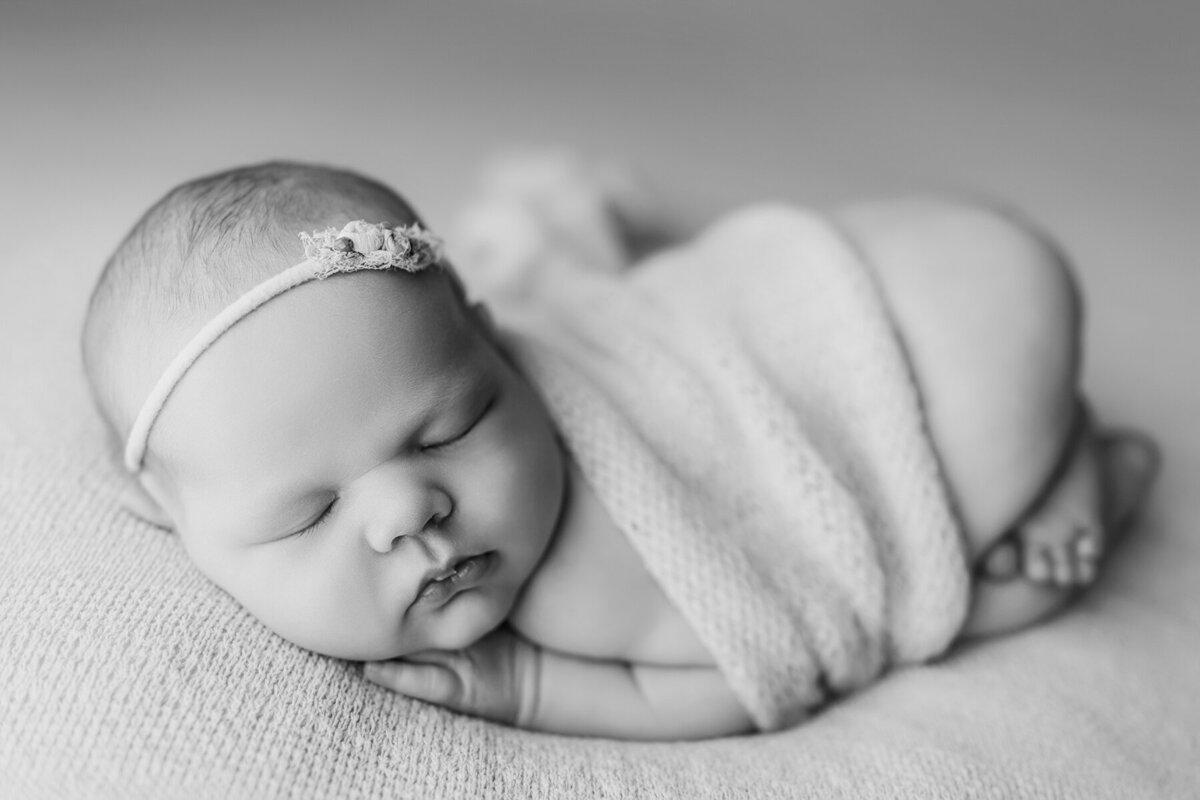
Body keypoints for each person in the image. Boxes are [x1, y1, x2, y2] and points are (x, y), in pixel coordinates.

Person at [81, 159, 1159, 740]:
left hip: (904, 326)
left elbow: (764, 664)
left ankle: (1067, 458)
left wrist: (536, 687)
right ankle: (1086, 469)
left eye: (450, 425)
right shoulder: (229, 489)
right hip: (932, 262)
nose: (410, 508)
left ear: (499, 347)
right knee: (994, 584)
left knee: (947, 594)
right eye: (309, 510)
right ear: (175, 522)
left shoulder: (587, 586)